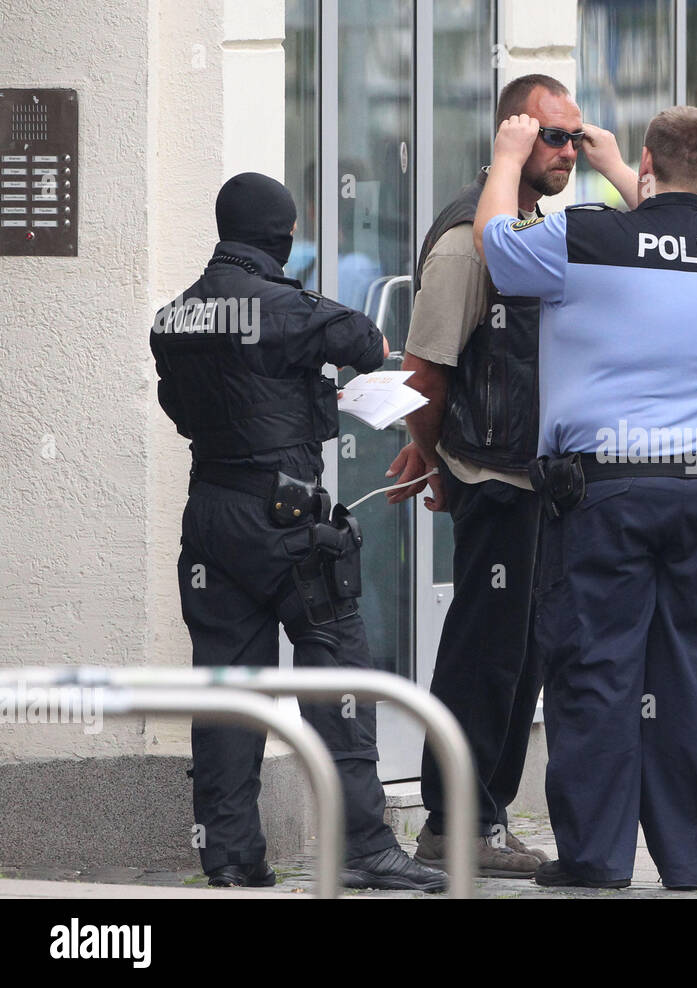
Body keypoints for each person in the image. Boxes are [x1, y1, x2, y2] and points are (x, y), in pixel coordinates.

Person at [474, 105, 697, 890]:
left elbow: (497, 251)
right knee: (691, 679)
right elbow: (668, 234)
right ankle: (690, 861)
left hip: (609, 496)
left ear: (643, 161)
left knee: (598, 673)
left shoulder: (585, 238)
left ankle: (597, 859)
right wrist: (628, 176)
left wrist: (507, 158)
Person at [150, 172, 445, 892]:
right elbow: (368, 339)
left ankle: (230, 857)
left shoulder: (172, 317)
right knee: (339, 676)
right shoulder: (288, 307)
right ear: (282, 235)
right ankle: (366, 847)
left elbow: (183, 405)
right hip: (286, 519)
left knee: (228, 688)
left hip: (211, 516)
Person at [385, 75, 634, 877]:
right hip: (492, 473)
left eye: (575, 137)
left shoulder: (531, 227)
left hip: (532, 475)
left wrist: (614, 163)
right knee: (485, 655)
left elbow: (661, 235)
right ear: (513, 139)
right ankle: (453, 825)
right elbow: (425, 371)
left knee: (522, 658)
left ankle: (484, 820)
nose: (566, 152)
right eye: (551, 138)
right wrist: (435, 452)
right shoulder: (470, 236)